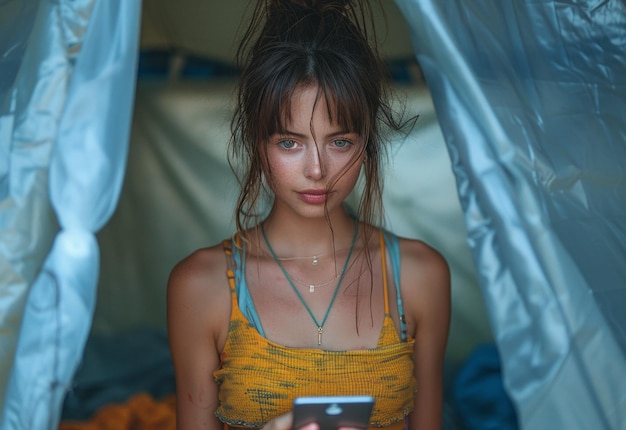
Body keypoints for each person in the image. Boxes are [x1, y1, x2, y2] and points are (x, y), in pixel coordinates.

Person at [166, 0, 451, 429]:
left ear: (367, 141)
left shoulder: (419, 276)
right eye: (289, 142)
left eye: (340, 142)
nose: (317, 170)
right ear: (256, 141)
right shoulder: (201, 286)